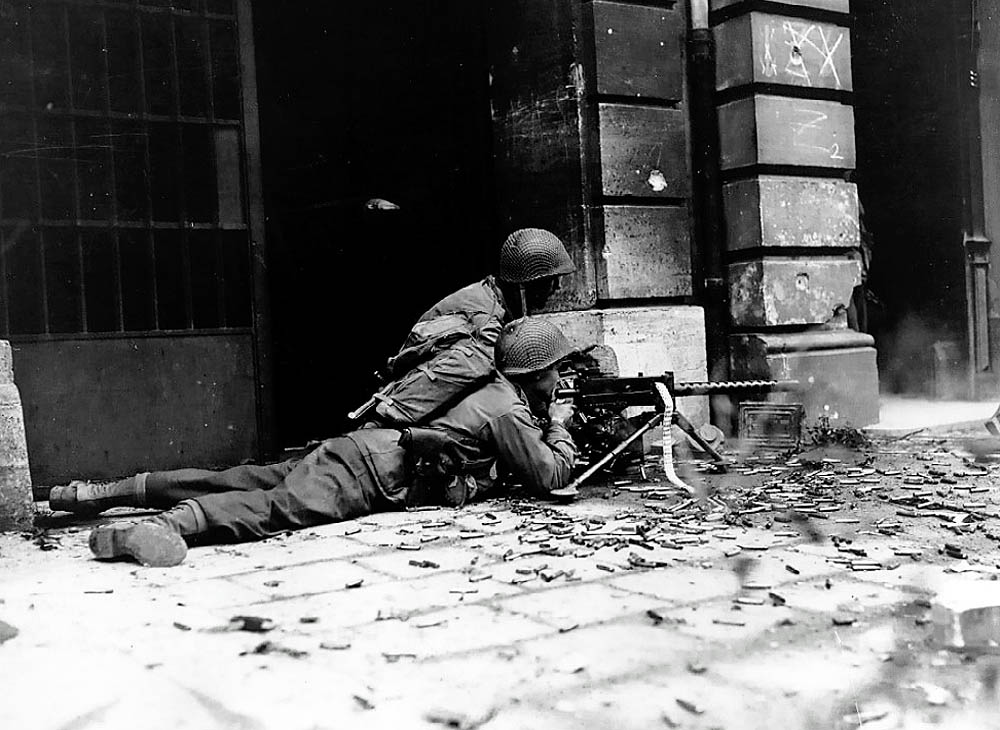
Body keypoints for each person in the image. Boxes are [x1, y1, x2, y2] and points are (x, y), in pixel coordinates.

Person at [77, 317, 578, 567]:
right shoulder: (508, 409)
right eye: (555, 368)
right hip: (371, 474)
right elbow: (550, 476)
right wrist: (558, 422)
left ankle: (105, 492)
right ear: (536, 372)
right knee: (275, 508)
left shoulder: (489, 387)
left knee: (238, 478)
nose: (559, 377)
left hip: (361, 448)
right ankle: (163, 526)